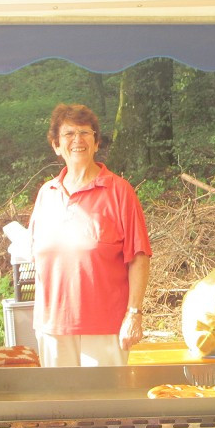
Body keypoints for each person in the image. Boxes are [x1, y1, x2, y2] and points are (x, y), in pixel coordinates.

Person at [28, 103, 152, 367]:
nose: (78, 140)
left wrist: (134, 314)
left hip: (105, 327)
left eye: (85, 133)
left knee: (103, 405)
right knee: (59, 407)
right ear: (56, 146)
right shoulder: (46, 194)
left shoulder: (119, 191)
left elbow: (139, 256)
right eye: (69, 134)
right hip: (52, 326)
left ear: (96, 143)